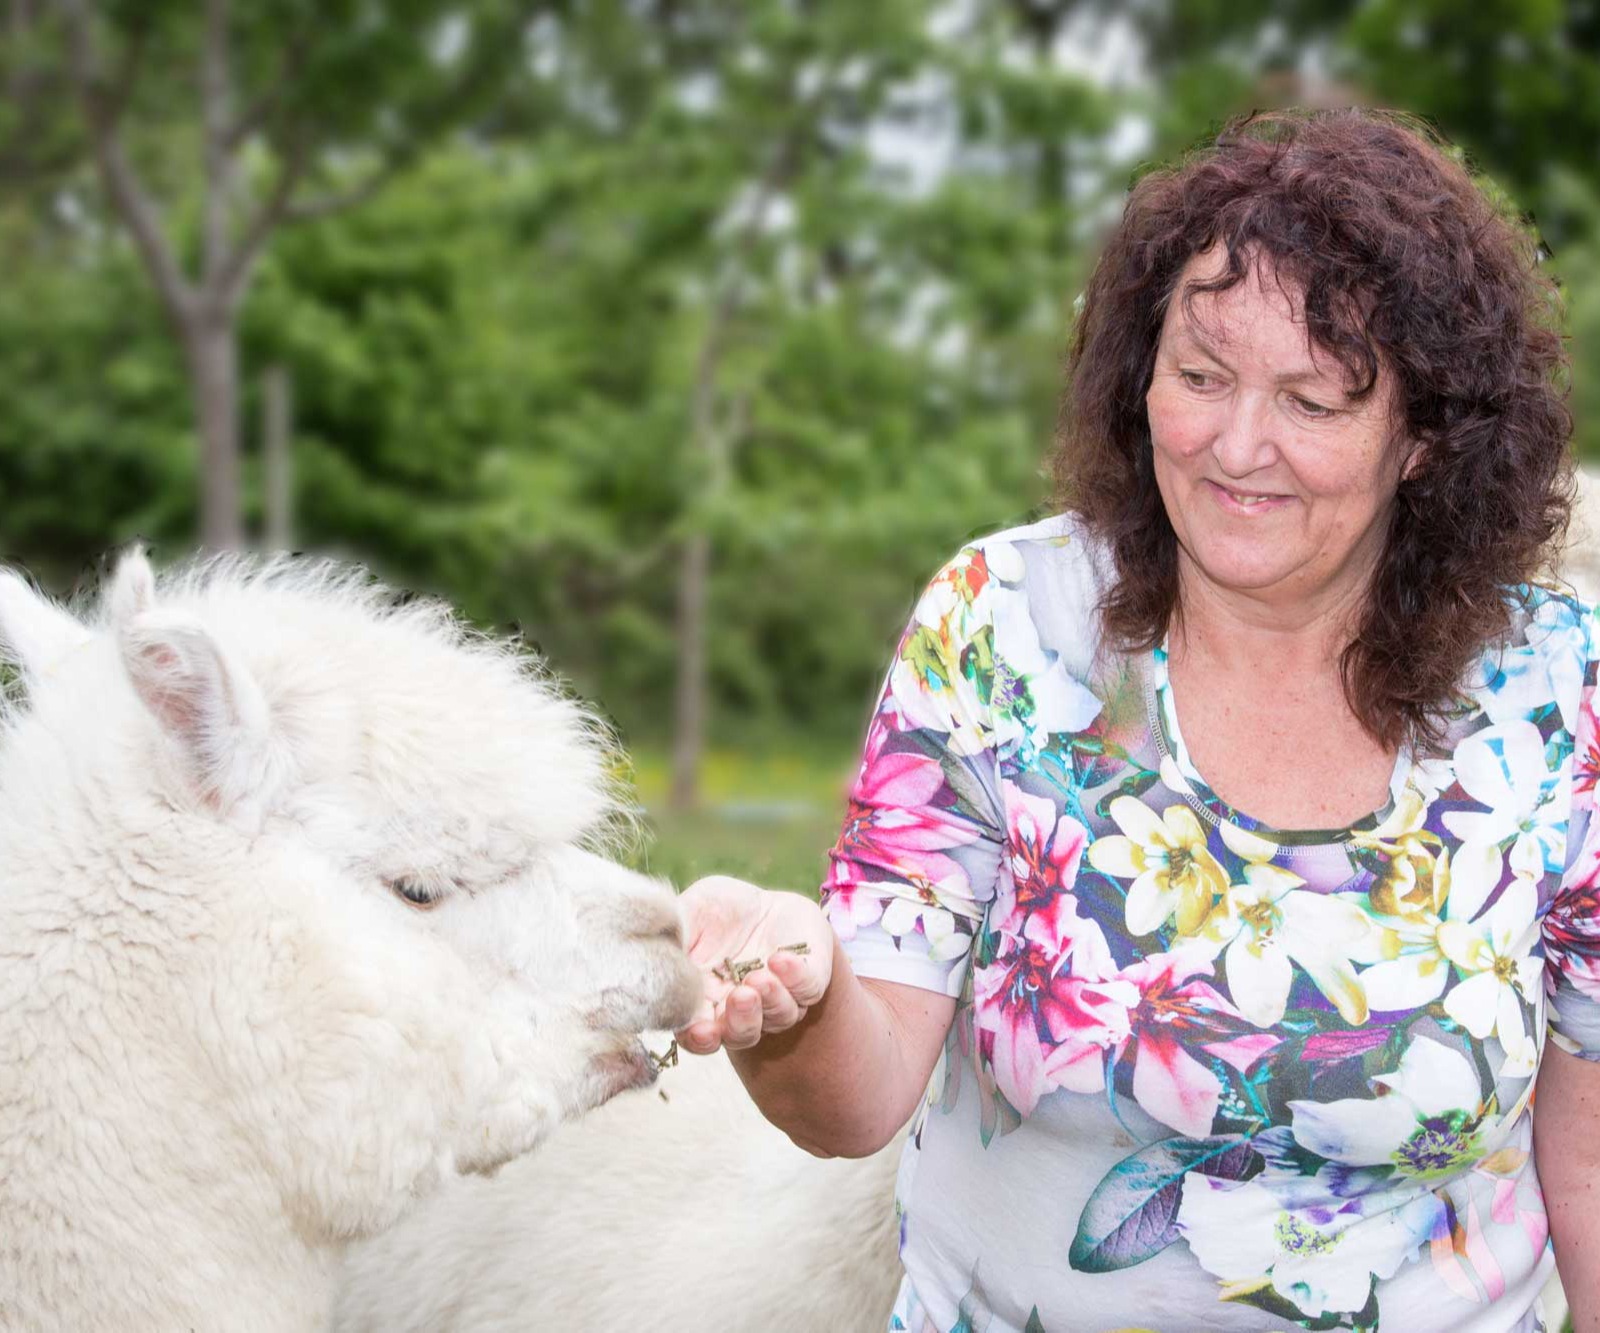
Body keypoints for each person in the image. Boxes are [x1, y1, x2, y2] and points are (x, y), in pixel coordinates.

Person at [674, 107, 1600, 1333]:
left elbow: (1585, 1144)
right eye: (1200, 376)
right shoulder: (1003, 625)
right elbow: (854, 1099)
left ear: (1423, 438)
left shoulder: (1555, 689)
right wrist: (792, 992)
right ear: (1138, 372)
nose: (1236, 446)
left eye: (1314, 401)